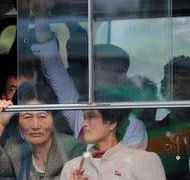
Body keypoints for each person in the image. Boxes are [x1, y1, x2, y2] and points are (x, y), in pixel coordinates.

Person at [28, 0, 148, 149]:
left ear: (120, 77)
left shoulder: (134, 127)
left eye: (102, 68)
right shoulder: (80, 111)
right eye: (92, 67)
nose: (92, 73)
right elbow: (52, 64)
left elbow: (126, 169)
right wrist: (41, 15)